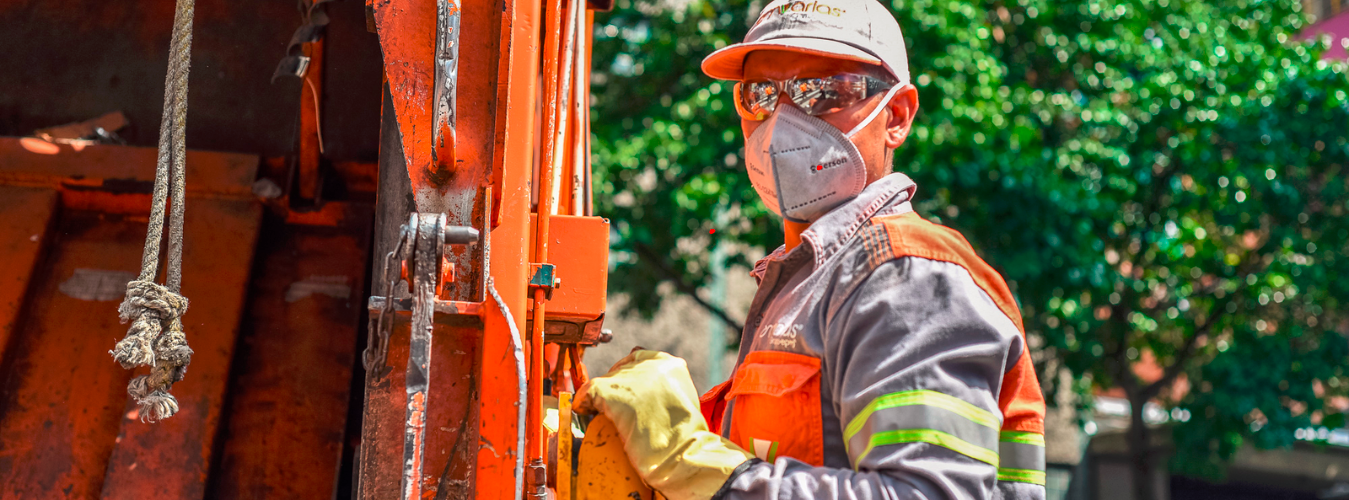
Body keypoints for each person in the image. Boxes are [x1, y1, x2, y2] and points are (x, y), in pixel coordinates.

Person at [573, 0, 1047, 498]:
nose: (781, 120)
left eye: (821, 91)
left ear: (897, 116)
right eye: (759, 94)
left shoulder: (908, 276)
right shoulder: (809, 280)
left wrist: (698, 465)